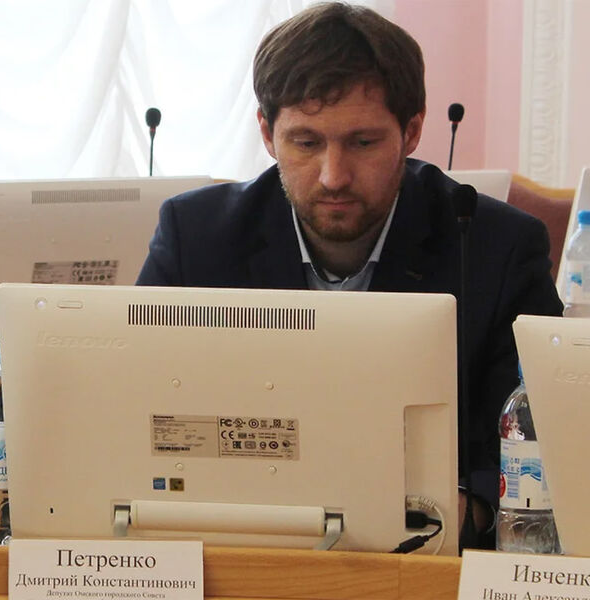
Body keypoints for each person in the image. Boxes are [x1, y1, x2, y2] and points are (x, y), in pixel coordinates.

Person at [137, 1, 563, 547]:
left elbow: (543, 430)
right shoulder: (195, 236)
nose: (333, 176)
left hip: (423, 551)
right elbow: (136, 403)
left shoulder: (495, 247)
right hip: (239, 536)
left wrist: (471, 509)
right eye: (306, 143)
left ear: (412, 131)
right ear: (267, 133)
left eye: (363, 143)